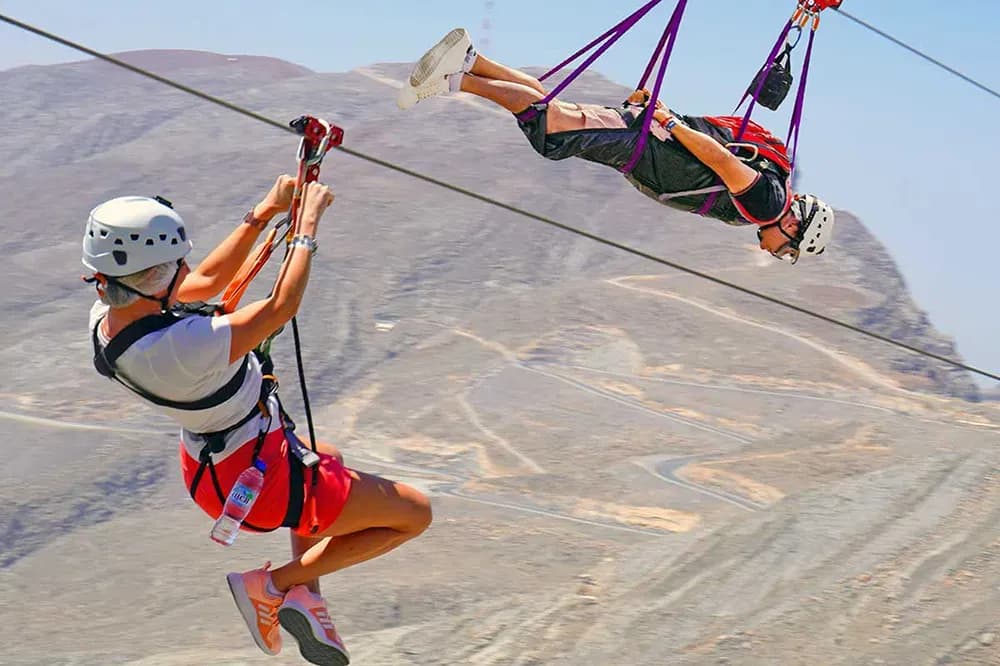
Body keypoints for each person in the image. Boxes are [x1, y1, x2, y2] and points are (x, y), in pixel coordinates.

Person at [83, 178, 432, 666]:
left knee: (326, 453)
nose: (184, 269)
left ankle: (304, 596)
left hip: (218, 470)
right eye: (173, 265)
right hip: (263, 482)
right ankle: (271, 586)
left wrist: (268, 209)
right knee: (414, 515)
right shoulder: (186, 347)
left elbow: (203, 284)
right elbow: (279, 308)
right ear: (152, 278)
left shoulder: (108, 320)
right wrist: (306, 224)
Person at [398, 28, 835, 263]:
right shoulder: (767, 205)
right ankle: (457, 77)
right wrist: (667, 120)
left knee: (556, 115)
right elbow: (718, 157)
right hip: (643, 144)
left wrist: (668, 120)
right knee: (550, 130)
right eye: (785, 251)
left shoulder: (768, 199)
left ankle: (471, 59)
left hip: (646, 144)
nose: (775, 252)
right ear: (796, 226)